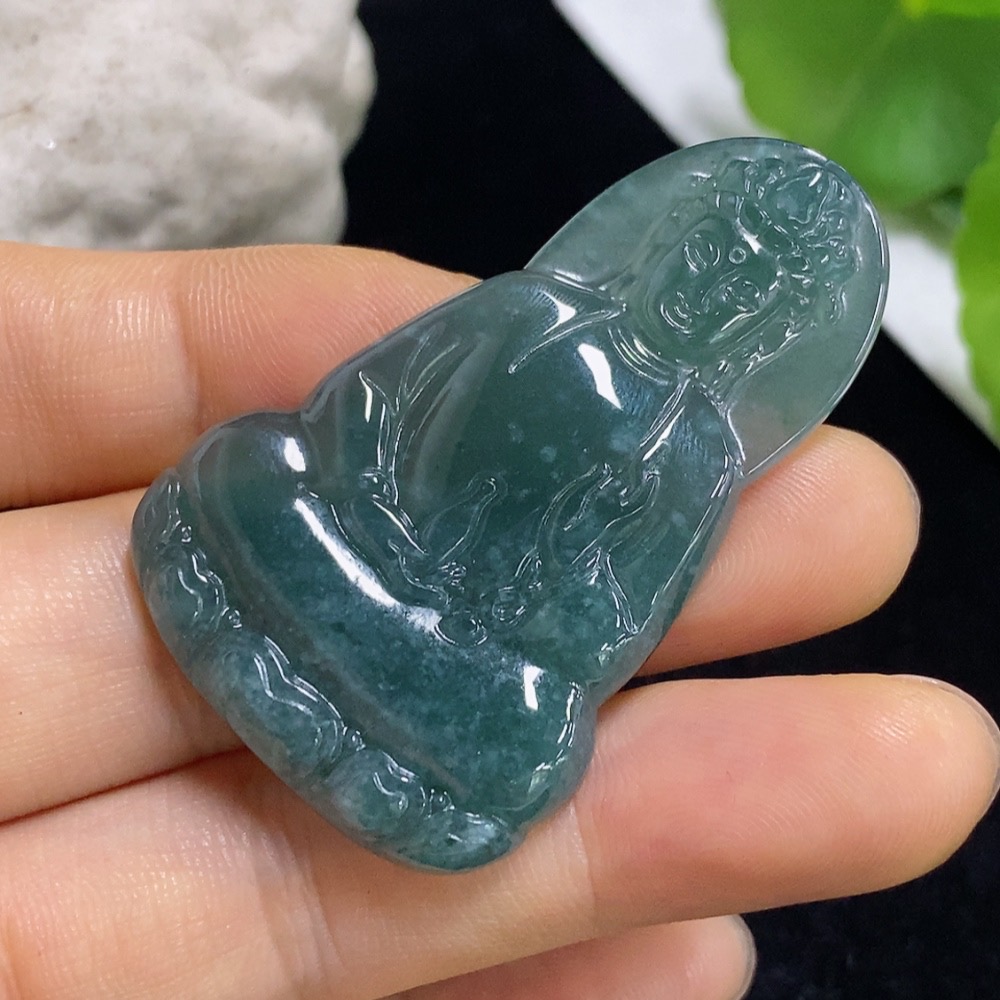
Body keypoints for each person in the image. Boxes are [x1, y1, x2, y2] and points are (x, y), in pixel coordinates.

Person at [0, 240, 995, 999]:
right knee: (245, 463)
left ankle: (310, 670)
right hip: (356, 538)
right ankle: (356, 714)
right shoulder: (533, 310)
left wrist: (564, 574)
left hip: (465, 647)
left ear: (764, 333)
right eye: (708, 257)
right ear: (665, 250)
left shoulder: (693, 452)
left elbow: (603, 634)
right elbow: (363, 405)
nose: (712, 289)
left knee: (529, 747)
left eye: (748, 291)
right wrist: (375, 501)